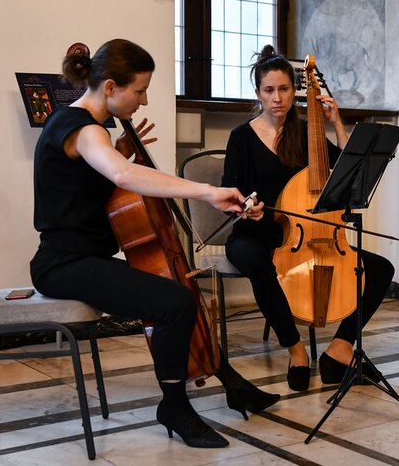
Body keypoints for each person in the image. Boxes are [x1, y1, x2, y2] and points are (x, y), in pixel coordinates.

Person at [30, 39, 279, 449]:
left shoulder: (85, 130)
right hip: (62, 265)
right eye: (139, 90)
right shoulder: (82, 127)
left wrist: (121, 151)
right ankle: (175, 406)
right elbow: (124, 178)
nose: (143, 101)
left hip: (82, 259)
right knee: (173, 302)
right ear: (110, 87)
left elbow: (98, 179)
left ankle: (226, 381)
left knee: (180, 293)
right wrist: (205, 192)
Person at [222, 45, 395, 391]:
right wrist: (247, 206)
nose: (277, 99)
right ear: (257, 93)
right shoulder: (241, 137)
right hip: (256, 231)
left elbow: (348, 172)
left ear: (294, 91)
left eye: (284, 89)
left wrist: (337, 123)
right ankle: (296, 350)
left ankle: (340, 350)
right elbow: (230, 193)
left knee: (381, 269)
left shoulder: (306, 132)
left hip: (307, 233)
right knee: (255, 260)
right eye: (269, 91)